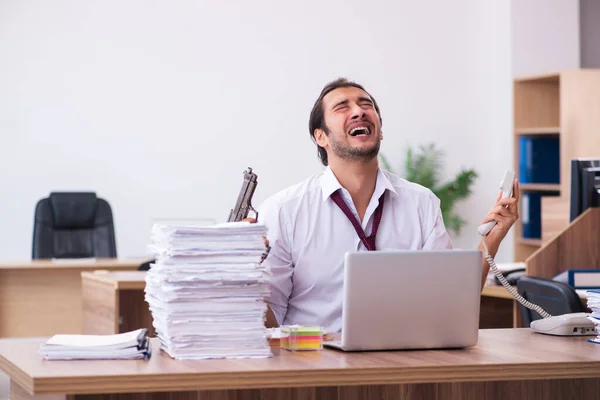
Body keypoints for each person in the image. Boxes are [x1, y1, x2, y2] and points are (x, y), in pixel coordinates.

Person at [257, 78, 519, 333]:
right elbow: (269, 318)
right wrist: (238, 275)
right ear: (321, 137)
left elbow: (452, 300)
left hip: (401, 362)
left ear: (380, 131)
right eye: (342, 107)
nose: (359, 111)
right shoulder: (284, 211)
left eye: (366, 104)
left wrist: (492, 239)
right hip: (315, 366)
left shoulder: (421, 203)